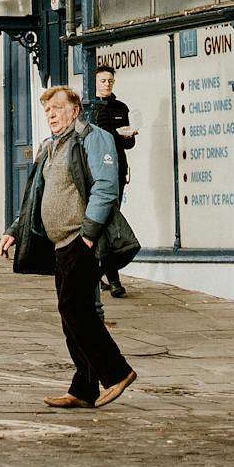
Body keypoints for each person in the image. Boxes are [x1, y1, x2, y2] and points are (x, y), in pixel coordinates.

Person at [0, 85, 138, 409]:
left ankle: (117, 372)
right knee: (69, 313)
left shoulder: (92, 137)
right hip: (61, 244)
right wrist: (16, 230)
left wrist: (89, 234)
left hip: (81, 239)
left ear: (74, 110)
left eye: (57, 110)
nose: (51, 117)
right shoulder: (50, 147)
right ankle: (84, 388)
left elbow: (106, 185)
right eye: (47, 112)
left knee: (75, 308)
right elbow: (35, 196)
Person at [93, 65, 138, 297]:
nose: (107, 84)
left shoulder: (121, 108)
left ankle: (101, 273)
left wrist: (129, 137)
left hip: (117, 171)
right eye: (103, 80)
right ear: (95, 81)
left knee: (108, 221)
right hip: (96, 173)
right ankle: (112, 277)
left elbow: (128, 145)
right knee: (103, 221)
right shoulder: (89, 109)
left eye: (110, 80)